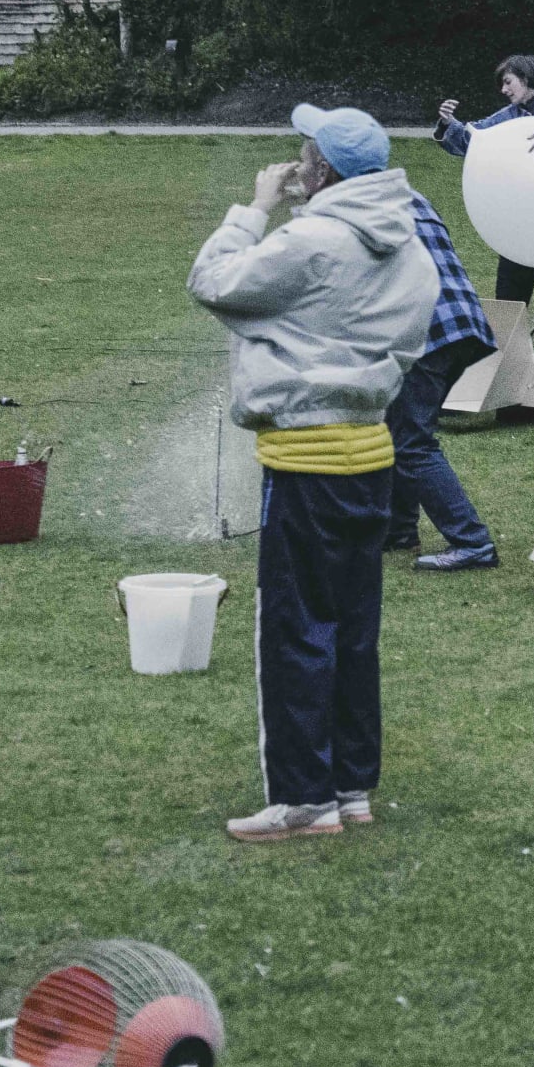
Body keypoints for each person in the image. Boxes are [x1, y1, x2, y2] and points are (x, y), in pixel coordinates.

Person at [187, 104, 438, 843]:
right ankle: (351, 787)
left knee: (297, 630)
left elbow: (214, 281)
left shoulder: (311, 240)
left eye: (305, 154)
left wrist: (256, 208)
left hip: (306, 462)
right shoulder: (411, 244)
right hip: (369, 456)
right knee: (355, 630)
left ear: (321, 168)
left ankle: (303, 801)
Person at [435, 53, 534, 347]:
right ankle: (508, 356)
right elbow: (473, 140)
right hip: (520, 215)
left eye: (508, 82)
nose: (504, 90)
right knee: (510, 287)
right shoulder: (508, 118)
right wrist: (448, 123)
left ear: (526, 78)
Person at [385, 187, 501, 571]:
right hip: (461, 322)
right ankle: (399, 529)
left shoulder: (353, 206)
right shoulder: (407, 193)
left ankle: (472, 542)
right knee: (397, 427)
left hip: (427, 330)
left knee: (411, 441)